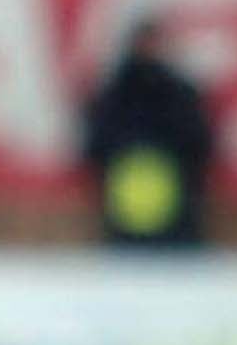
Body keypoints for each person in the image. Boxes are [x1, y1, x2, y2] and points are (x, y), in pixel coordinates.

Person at [83, 15, 215, 250]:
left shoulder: (178, 92)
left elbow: (200, 145)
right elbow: (94, 147)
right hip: (125, 212)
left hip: (177, 213)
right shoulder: (115, 93)